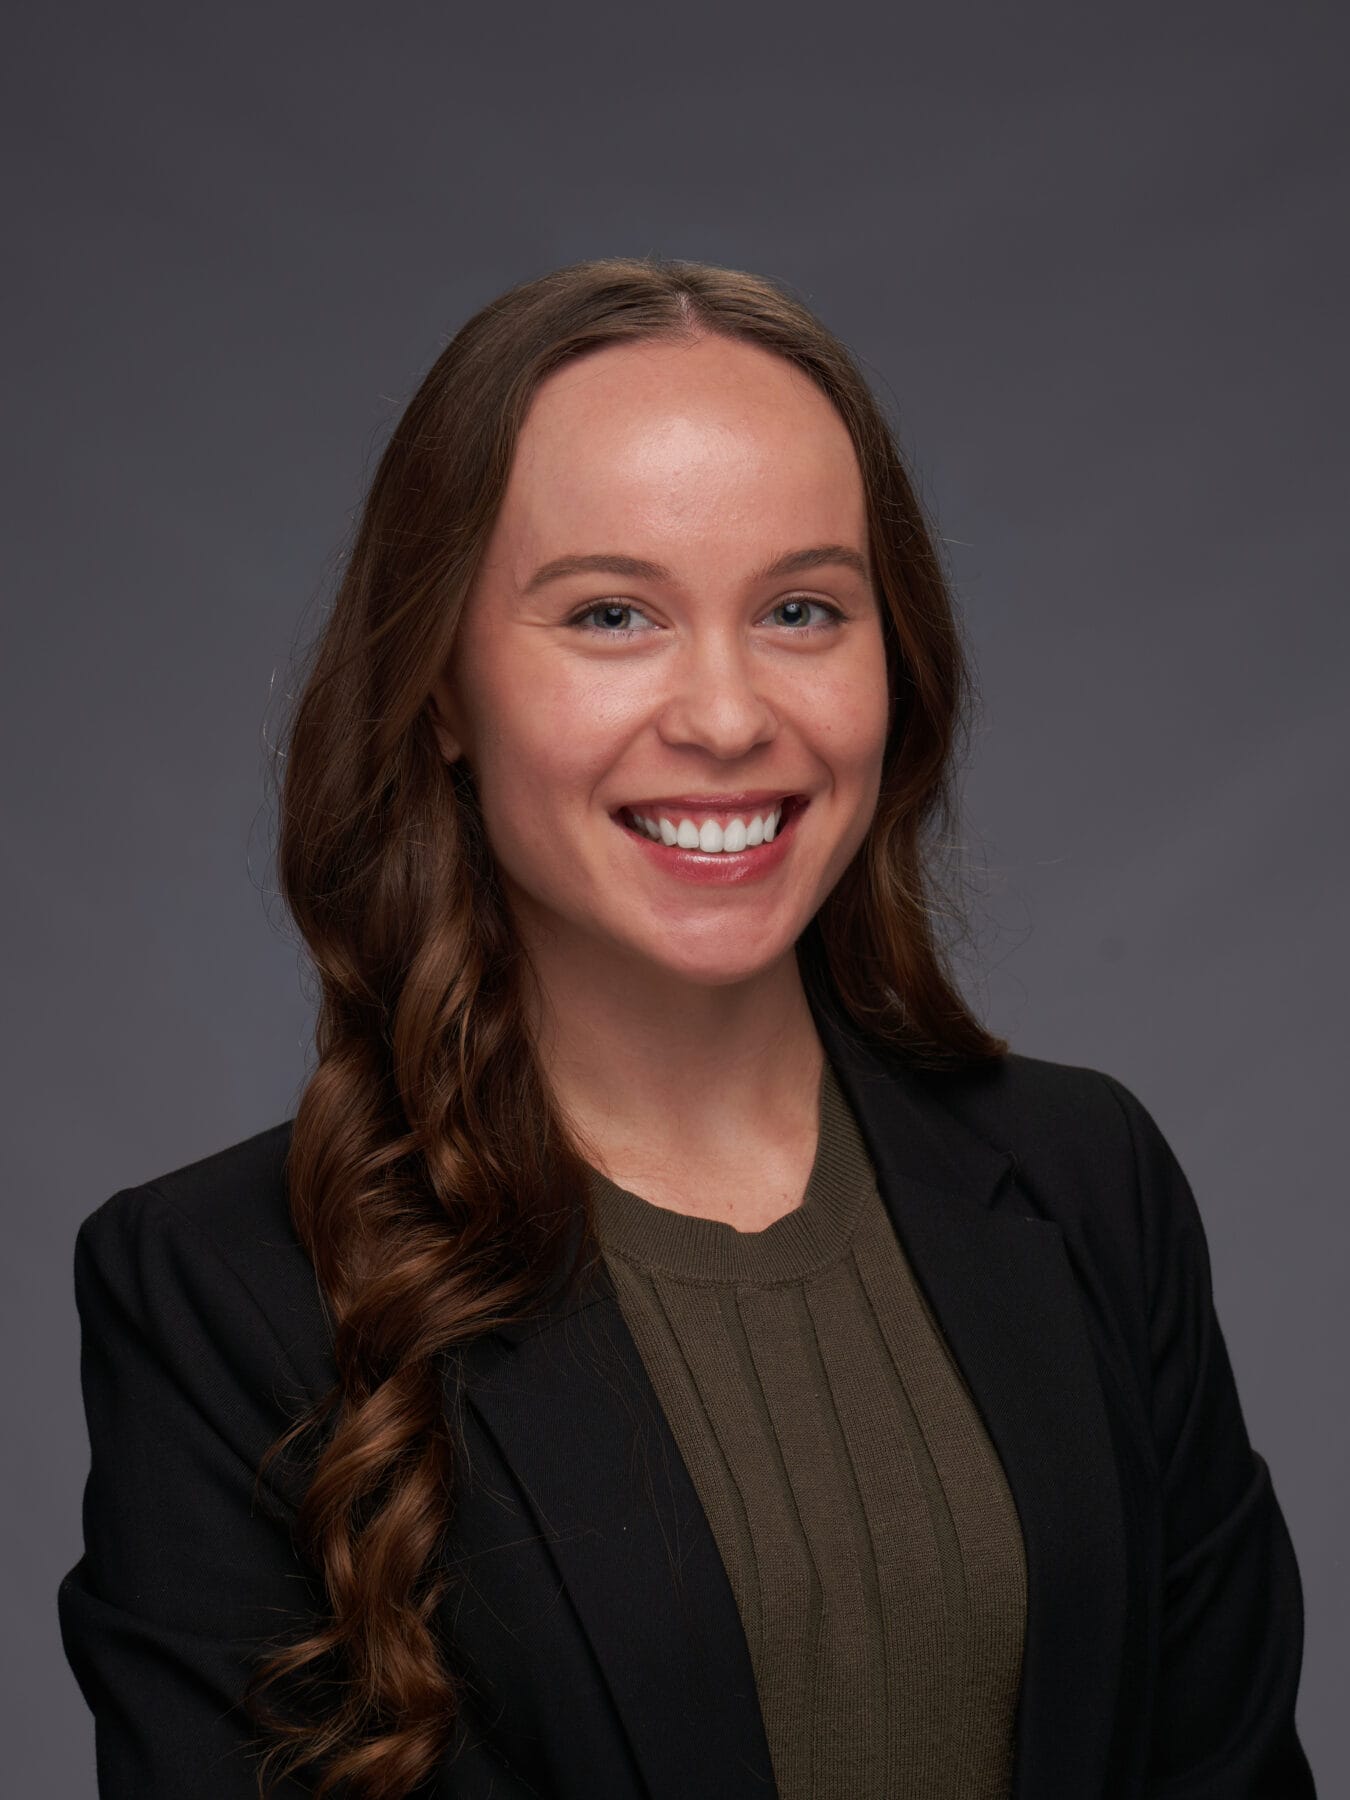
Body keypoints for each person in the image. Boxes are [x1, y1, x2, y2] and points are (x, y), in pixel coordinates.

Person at [57, 257, 1315, 1800]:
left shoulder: (1086, 1182)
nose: (725, 716)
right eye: (610, 614)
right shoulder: (218, 1291)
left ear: (890, 660)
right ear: (440, 687)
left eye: (800, 608)